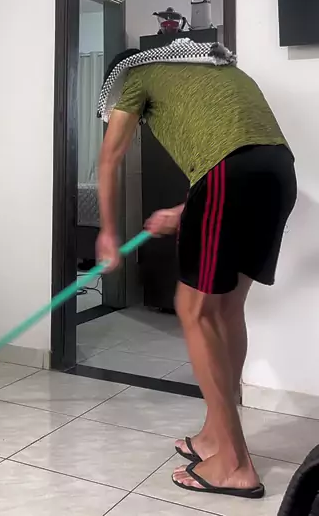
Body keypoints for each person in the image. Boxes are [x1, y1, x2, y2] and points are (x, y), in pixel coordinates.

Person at [96, 41, 296, 501]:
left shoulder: (136, 76)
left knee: (193, 308)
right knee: (226, 309)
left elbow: (109, 158)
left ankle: (234, 464)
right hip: (279, 173)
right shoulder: (205, 70)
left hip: (228, 174)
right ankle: (213, 435)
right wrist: (187, 210)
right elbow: (238, 152)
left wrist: (107, 232)